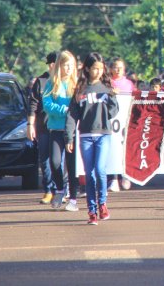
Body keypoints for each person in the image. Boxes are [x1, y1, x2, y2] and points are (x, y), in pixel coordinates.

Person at [65, 52, 119, 225]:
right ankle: (92, 210)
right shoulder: (80, 90)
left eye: (101, 69)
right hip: (86, 136)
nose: (98, 72)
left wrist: (112, 97)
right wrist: (69, 137)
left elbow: (113, 112)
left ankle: (102, 203)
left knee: (100, 170)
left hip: (103, 134)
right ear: (87, 69)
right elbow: (72, 116)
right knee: (89, 174)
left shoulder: (106, 88)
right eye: (95, 68)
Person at [42, 50, 80, 211]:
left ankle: (73, 197)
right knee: (55, 162)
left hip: (72, 131)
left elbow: (79, 106)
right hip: (56, 129)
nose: (69, 68)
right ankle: (59, 189)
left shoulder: (77, 84)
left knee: (72, 165)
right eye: (66, 65)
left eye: (71, 65)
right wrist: (63, 110)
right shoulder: (52, 83)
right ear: (59, 66)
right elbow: (47, 104)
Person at [27, 52, 58, 204]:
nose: (53, 66)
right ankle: (48, 190)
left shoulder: (66, 81)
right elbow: (33, 104)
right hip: (43, 127)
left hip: (60, 127)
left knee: (59, 161)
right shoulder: (41, 81)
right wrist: (30, 125)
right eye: (51, 63)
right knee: (44, 160)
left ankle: (60, 189)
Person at [108, 58, 134, 191]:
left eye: (120, 67)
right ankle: (114, 179)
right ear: (111, 69)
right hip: (112, 121)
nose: (118, 70)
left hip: (125, 121)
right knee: (113, 148)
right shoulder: (108, 83)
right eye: (115, 67)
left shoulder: (129, 84)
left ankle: (126, 175)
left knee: (125, 148)